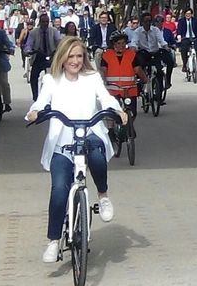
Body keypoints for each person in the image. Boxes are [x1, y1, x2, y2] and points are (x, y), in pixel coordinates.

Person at [26, 37, 126, 263]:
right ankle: (53, 241)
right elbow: (40, 103)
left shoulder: (92, 78)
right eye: (70, 56)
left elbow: (106, 98)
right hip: (62, 142)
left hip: (89, 133)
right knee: (59, 190)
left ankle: (103, 196)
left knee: (97, 157)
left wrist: (117, 111)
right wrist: (35, 113)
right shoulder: (51, 80)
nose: (75, 61)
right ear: (62, 58)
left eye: (79, 56)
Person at [101, 30, 148, 119]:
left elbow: (138, 69)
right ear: (113, 44)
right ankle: (111, 130)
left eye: (123, 43)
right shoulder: (107, 55)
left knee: (132, 113)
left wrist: (144, 79)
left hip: (129, 90)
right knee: (111, 114)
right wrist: (102, 82)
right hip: (113, 90)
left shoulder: (131, 54)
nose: (121, 46)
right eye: (118, 43)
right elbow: (103, 71)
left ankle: (129, 129)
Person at [130, 12, 174, 89]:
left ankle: (166, 82)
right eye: (145, 21)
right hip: (144, 53)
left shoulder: (155, 30)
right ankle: (140, 83)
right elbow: (134, 42)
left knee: (169, 61)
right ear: (142, 22)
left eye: (149, 21)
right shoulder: (137, 31)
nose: (148, 23)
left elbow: (161, 40)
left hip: (155, 52)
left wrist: (166, 47)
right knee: (138, 64)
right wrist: (133, 48)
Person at [24, 14, 62, 101]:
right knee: (33, 77)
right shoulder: (33, 32)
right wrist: (28, 50)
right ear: (39, 22)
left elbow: (59, 42)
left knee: (55, 77)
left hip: (51, 56)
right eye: (43, 22)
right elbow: (29, 44)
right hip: (39, 56)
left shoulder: (54, 31)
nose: (45, 24)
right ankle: (35, 97)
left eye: (47, 22)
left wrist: (59, 50)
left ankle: (54, 96)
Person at [0, 19, 15, 112]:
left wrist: (11, 49)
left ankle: (7, 103)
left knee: (3, 82)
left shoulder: (0, 33)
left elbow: (8, 43)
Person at [177, 8, 197, 73]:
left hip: (194, 37)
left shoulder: (195, 20)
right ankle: (184, 65)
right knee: (183, 49)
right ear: (184, 14)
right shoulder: (181, 21)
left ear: (191, 14)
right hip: (185, 38)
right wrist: (179, 35)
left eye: (189, 14)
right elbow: (179, 29)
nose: (188, 15)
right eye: (186, 14)